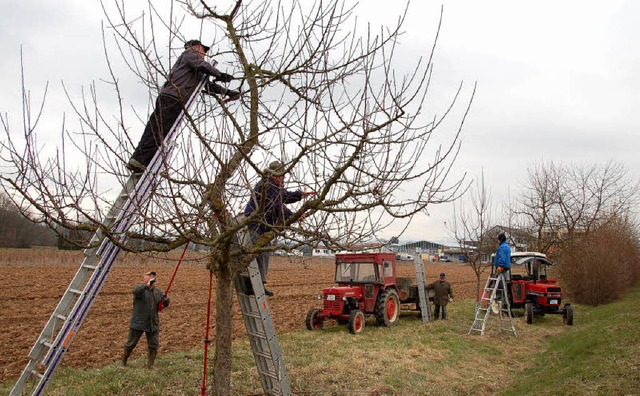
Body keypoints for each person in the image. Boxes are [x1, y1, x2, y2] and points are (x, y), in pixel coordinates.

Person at [127, 39, 240, 173]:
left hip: (174, 98)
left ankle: (142, 160)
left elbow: (206, 84)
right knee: (159, 129)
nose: (204, 55)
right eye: (203, 51)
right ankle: (141, 160)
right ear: (196, 47)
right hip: (172, 98)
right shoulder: (189, 54)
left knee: (161, 129)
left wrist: (227, 92)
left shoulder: (194, 69)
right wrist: (219, 74)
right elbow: (203, 65)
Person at [244, 160, 315, 296]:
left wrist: (300, 195)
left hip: (263, 225)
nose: (284, 178)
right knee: (258, 254)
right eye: (282, 175)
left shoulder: (273, 186)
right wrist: (294, 215)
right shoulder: (268, 186)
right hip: (257, 224)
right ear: (276, 175)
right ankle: (254, 286)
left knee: (261, 253)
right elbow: (277, 206)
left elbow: (285, 196)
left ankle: (258, 285)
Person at [122, 271, 170, 368]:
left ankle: (150, 365)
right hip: (138, 322)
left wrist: (166, 300)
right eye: (149, 276)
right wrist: (146, 285)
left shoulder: (158, 291)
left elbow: (163, 305)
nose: (152, 279)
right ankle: (124, 362)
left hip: (153, 323)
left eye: (153, 277)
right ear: (145, 279)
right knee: (131, 343)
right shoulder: (140, 290)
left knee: (154, 345)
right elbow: (136, 291)